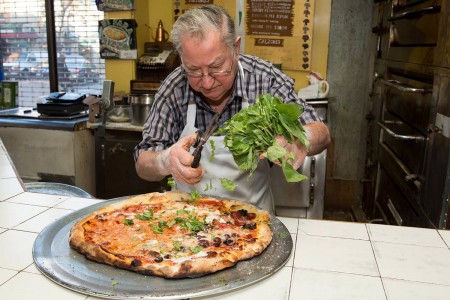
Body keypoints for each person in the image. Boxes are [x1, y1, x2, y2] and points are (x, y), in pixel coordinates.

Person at [134, 4, 330, 213]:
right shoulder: (175, 86)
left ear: (235, 48)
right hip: (187, 223)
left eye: (217, 67)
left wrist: (300, 139)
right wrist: (165, 161)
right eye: (194, 71)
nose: (207, 83)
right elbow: (142, 162)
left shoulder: (264, 79)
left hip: (251, 222)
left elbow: (322, 132)